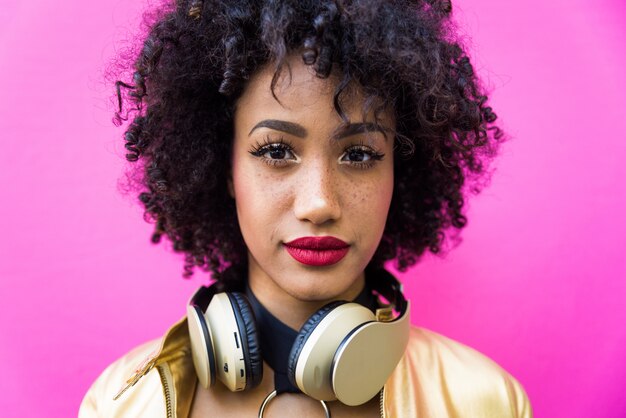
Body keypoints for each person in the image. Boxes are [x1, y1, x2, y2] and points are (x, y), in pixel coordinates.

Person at [80, 0, 532, 416]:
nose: (319, 204)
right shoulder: (122, 402)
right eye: (276, 150)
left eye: (359, 154)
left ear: (400, 169)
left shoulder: (485, 401)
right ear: (224, 168)